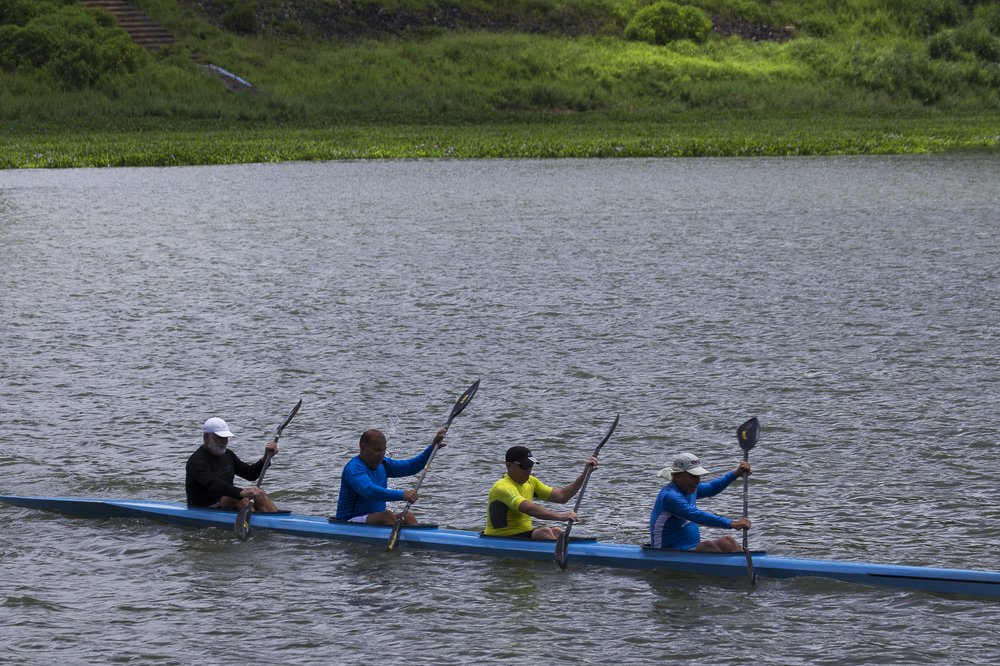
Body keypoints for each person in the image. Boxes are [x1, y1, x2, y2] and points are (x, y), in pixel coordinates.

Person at [335, 427, 448, 525]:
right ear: (363, 448)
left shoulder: (383, 464)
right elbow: (369, 491)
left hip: (373, 520)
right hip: (348, 521)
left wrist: (432, 447)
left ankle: (420, 547)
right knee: (387, 516)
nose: (381, 454)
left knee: (408, 516)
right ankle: (398, 546)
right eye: (377, 450)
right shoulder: (354, 469)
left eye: (384, 450)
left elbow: (411, 466)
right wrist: (402, 495)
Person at [484, 445, 599, 540]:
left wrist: (584, 475)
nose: (528, 470)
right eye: (524, 466)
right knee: (544, 532)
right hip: (499, 538)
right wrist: (561, 516)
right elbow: (529, 509)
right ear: (509, 466)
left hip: (522, 535)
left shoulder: (531, 482)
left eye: (530, 465)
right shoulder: (502, 487)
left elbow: (561, 496)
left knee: (557, 531)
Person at [649, 452, 751, 552]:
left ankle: (745, 565)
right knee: (707, 546)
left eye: (698, 476)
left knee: (728, 541)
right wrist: (731, 523)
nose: (697, 481)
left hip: (689, 548)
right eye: (693, 476)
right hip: (666, 551)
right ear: (677, 475)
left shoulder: (689, 488)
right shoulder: (670, 497)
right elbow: (698, 516)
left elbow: (712, 488)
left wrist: (736, 473)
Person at [185, 417, 279, 512]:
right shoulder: (197, 461)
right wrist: (241, 492)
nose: (225, 441)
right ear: (206, 437)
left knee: (259, 494)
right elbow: (213, 484)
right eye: (220, 438)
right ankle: (255, 524)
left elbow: (250, 474)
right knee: (238, 498)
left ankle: (278, 520)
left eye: (226, 437)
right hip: (203, 507)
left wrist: (266, 457)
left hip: (224, 501)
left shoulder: (227, 454)